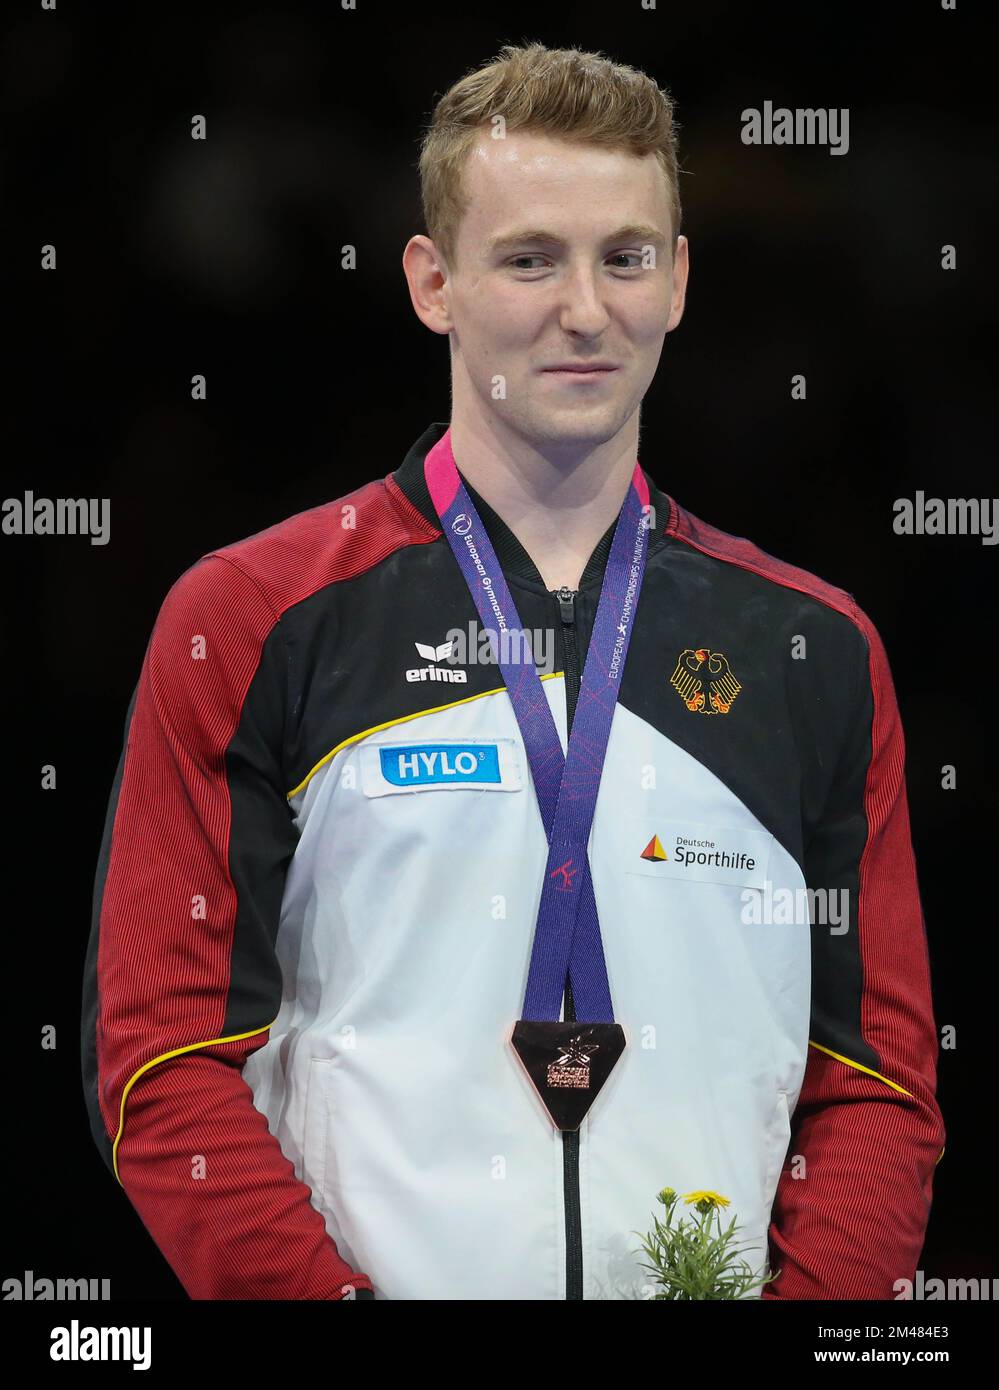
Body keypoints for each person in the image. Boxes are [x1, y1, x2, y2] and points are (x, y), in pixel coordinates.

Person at [81, 41, 945, 1301]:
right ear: (433, 283)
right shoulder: (254, 616)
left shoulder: (813, 647)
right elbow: (160, 1060)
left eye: (626, 257)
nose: (586, 309)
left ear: (681, 280)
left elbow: (873, 1081)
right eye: (530, 257)